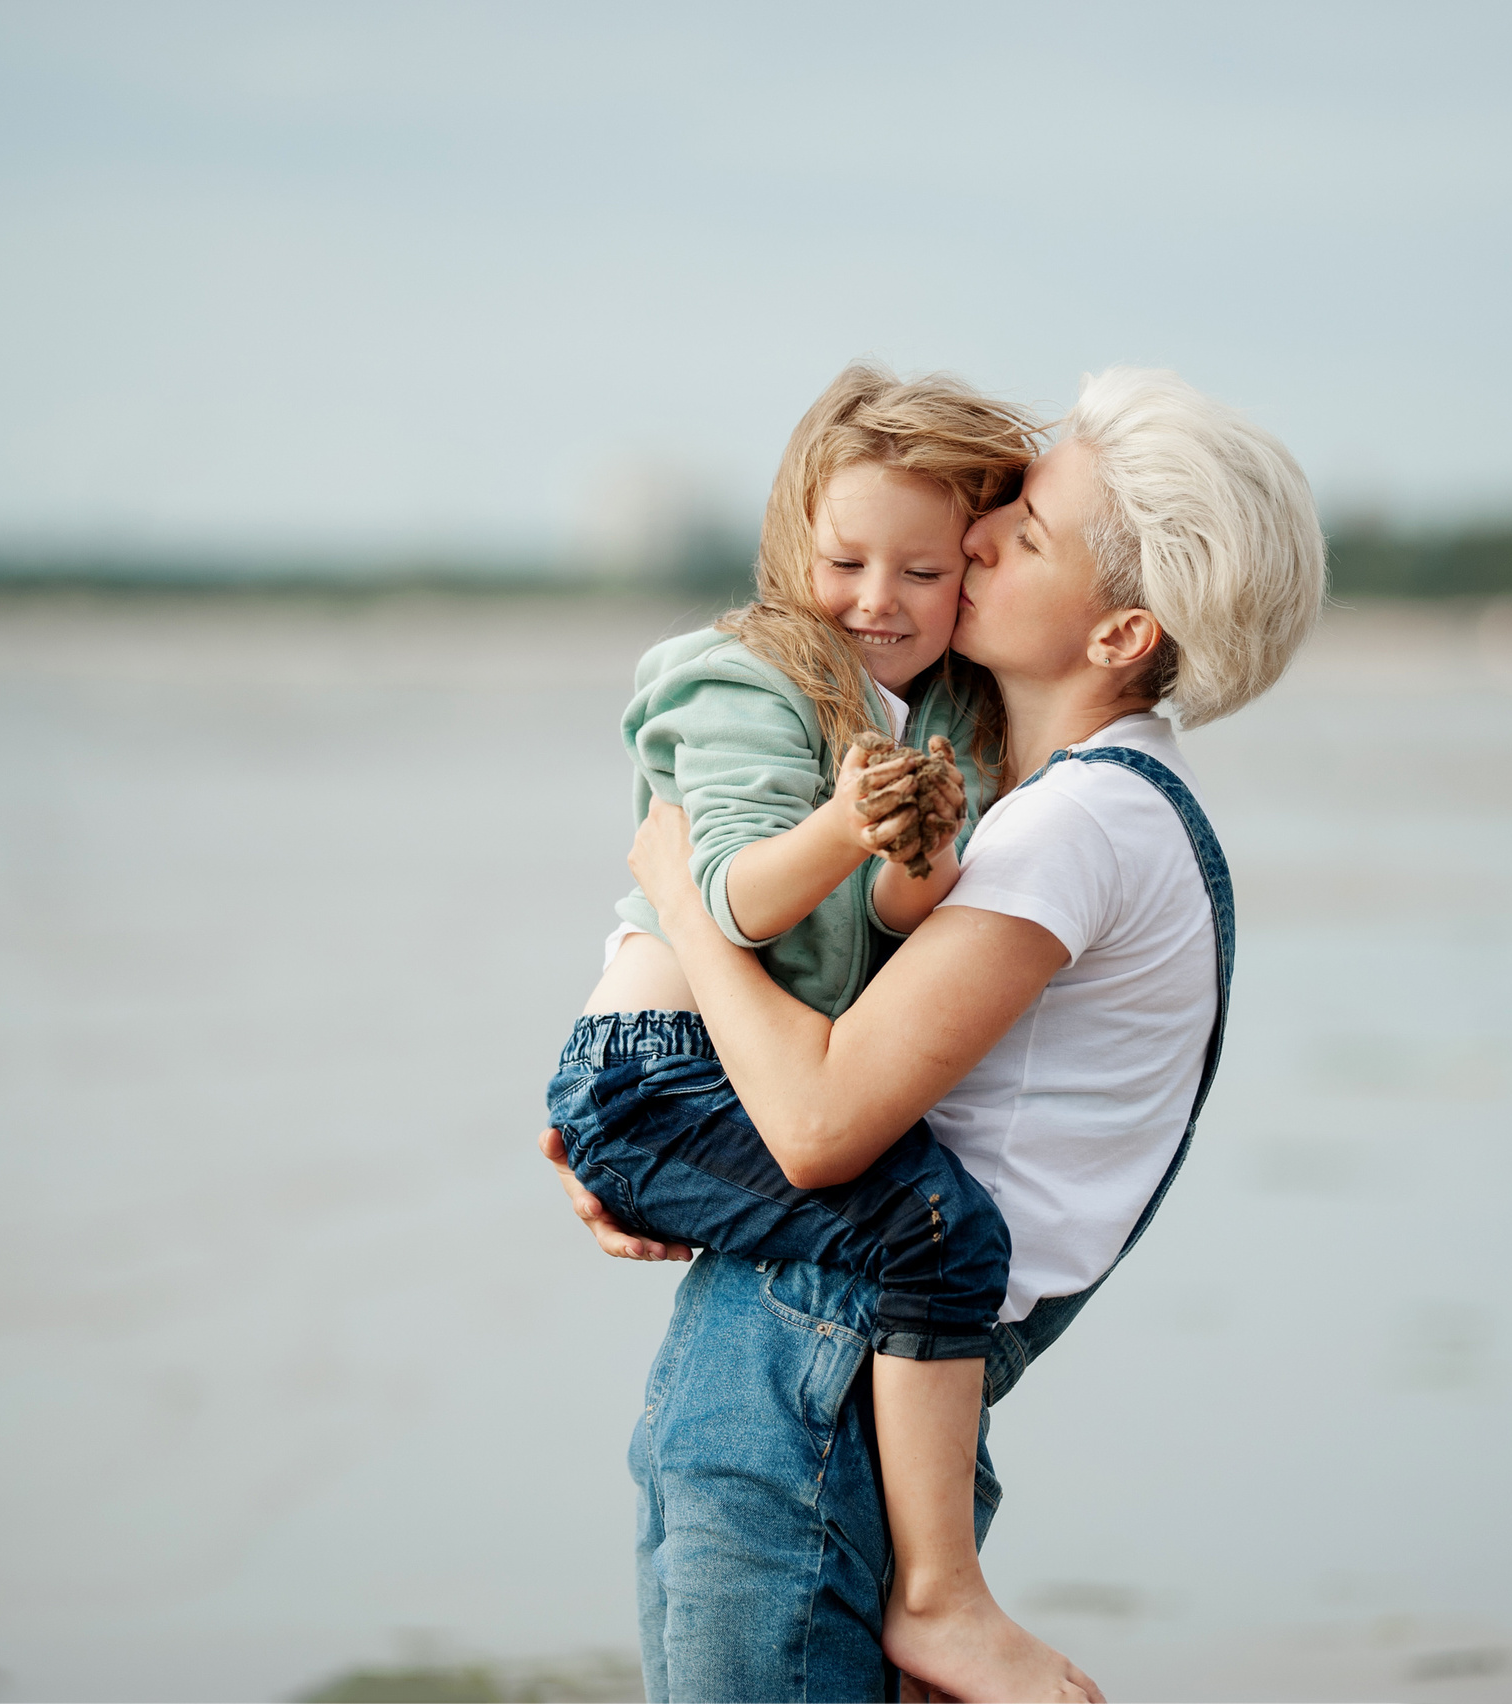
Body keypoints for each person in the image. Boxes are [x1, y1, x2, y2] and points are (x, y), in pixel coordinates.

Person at [542, 367, 1325, 1702]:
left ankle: (945, 1601)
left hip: (806, 1396)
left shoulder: (1074, 825)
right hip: (822, 1380)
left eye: (1021, 531)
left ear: (1123, 633)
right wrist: (642, 1131)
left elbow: (815, 1124)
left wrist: (676, 899)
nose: (973, 540)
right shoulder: (1094, 803)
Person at [546, 365, 1089, 1696]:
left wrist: (917, 844)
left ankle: (917, 1576)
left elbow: (898, 918)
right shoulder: (741, 680)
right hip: (655, 1078)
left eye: (924, 570)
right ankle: (941, 1594)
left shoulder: (948, 709)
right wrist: (846, 824)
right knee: (933, 1231)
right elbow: (725, 893)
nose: (880, 603)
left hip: (740, 1071)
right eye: (847, 561)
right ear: (796, 542)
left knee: (915, 1243)